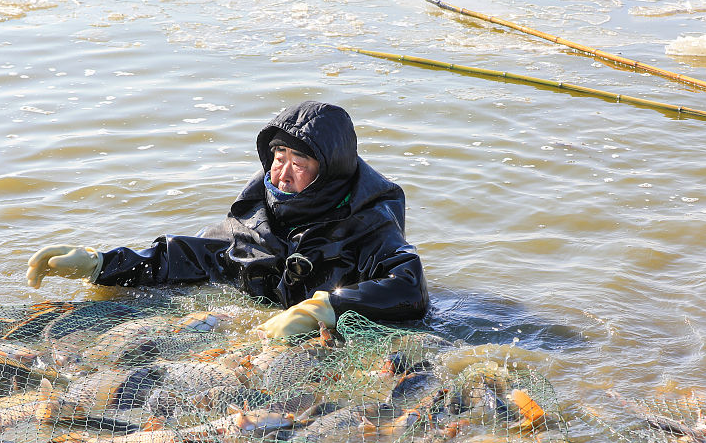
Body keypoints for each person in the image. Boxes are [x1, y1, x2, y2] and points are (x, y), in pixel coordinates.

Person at [26, 100, 429, 338]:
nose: (282, 175)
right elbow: (183, 258)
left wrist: (329, 307)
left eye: (299, 163)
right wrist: (101, 264)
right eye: (278, 159)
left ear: (329, 170)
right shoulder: (255, 214)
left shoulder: (370, 221)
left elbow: (409, 287)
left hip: (329, 334)